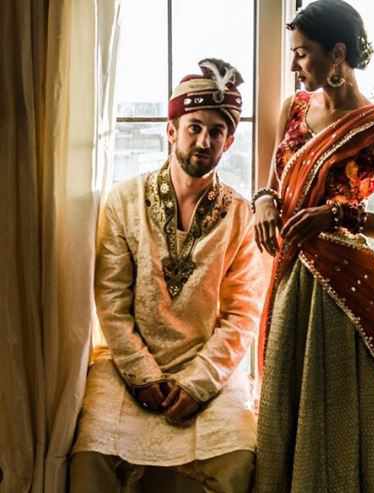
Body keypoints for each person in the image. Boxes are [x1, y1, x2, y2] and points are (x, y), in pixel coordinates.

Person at [252, 1, 374, 492]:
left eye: (302, 54)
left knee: (333, 413)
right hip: (293, 282)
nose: (293, 65)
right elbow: (273, 183)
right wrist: (263, 202)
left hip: (342, 291)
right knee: (286, 412)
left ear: (337, 55)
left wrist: (337, 213)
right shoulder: (294, 109)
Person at [69, 58, 264, 493]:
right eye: (194, 127)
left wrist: (198, 383)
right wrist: (143, 374)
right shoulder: (124, 200)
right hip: (127, 368)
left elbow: (242, 313)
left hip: (206, 370)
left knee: (238, 461)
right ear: (171, 129)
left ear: (229, 142)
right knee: (90, 464)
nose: (204, 140)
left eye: (217, 131)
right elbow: (112, 304)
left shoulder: (239, 214)